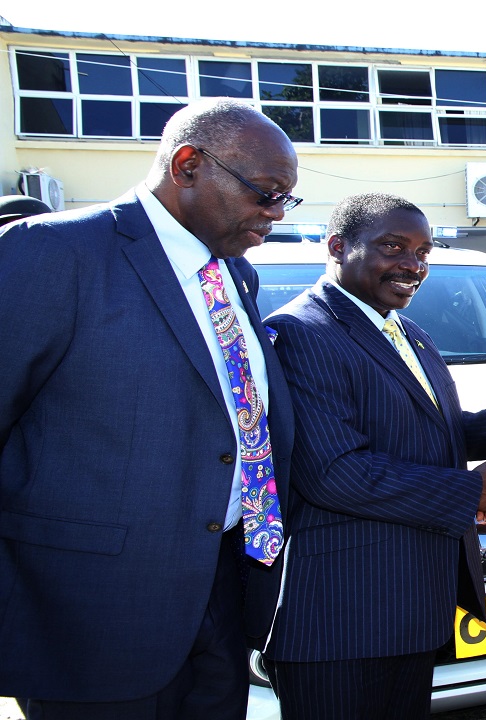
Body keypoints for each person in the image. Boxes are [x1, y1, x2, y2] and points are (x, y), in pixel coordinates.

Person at [0, 99, 298, 719]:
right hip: (93, 617)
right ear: (188, 165)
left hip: (224, 589)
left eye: (284, 199)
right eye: (265, 193)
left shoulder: (235, 273)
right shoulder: (52, 253)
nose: (274, 213)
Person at [262, 192, 486, 719]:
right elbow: (333, 473)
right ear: (339, 246)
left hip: (408, 602)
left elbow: (409, 429)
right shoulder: (302, 333)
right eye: (393, 246)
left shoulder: (402, 327)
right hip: (342, 613)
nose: (413, 265)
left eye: (423, 251)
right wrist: (470, 489)